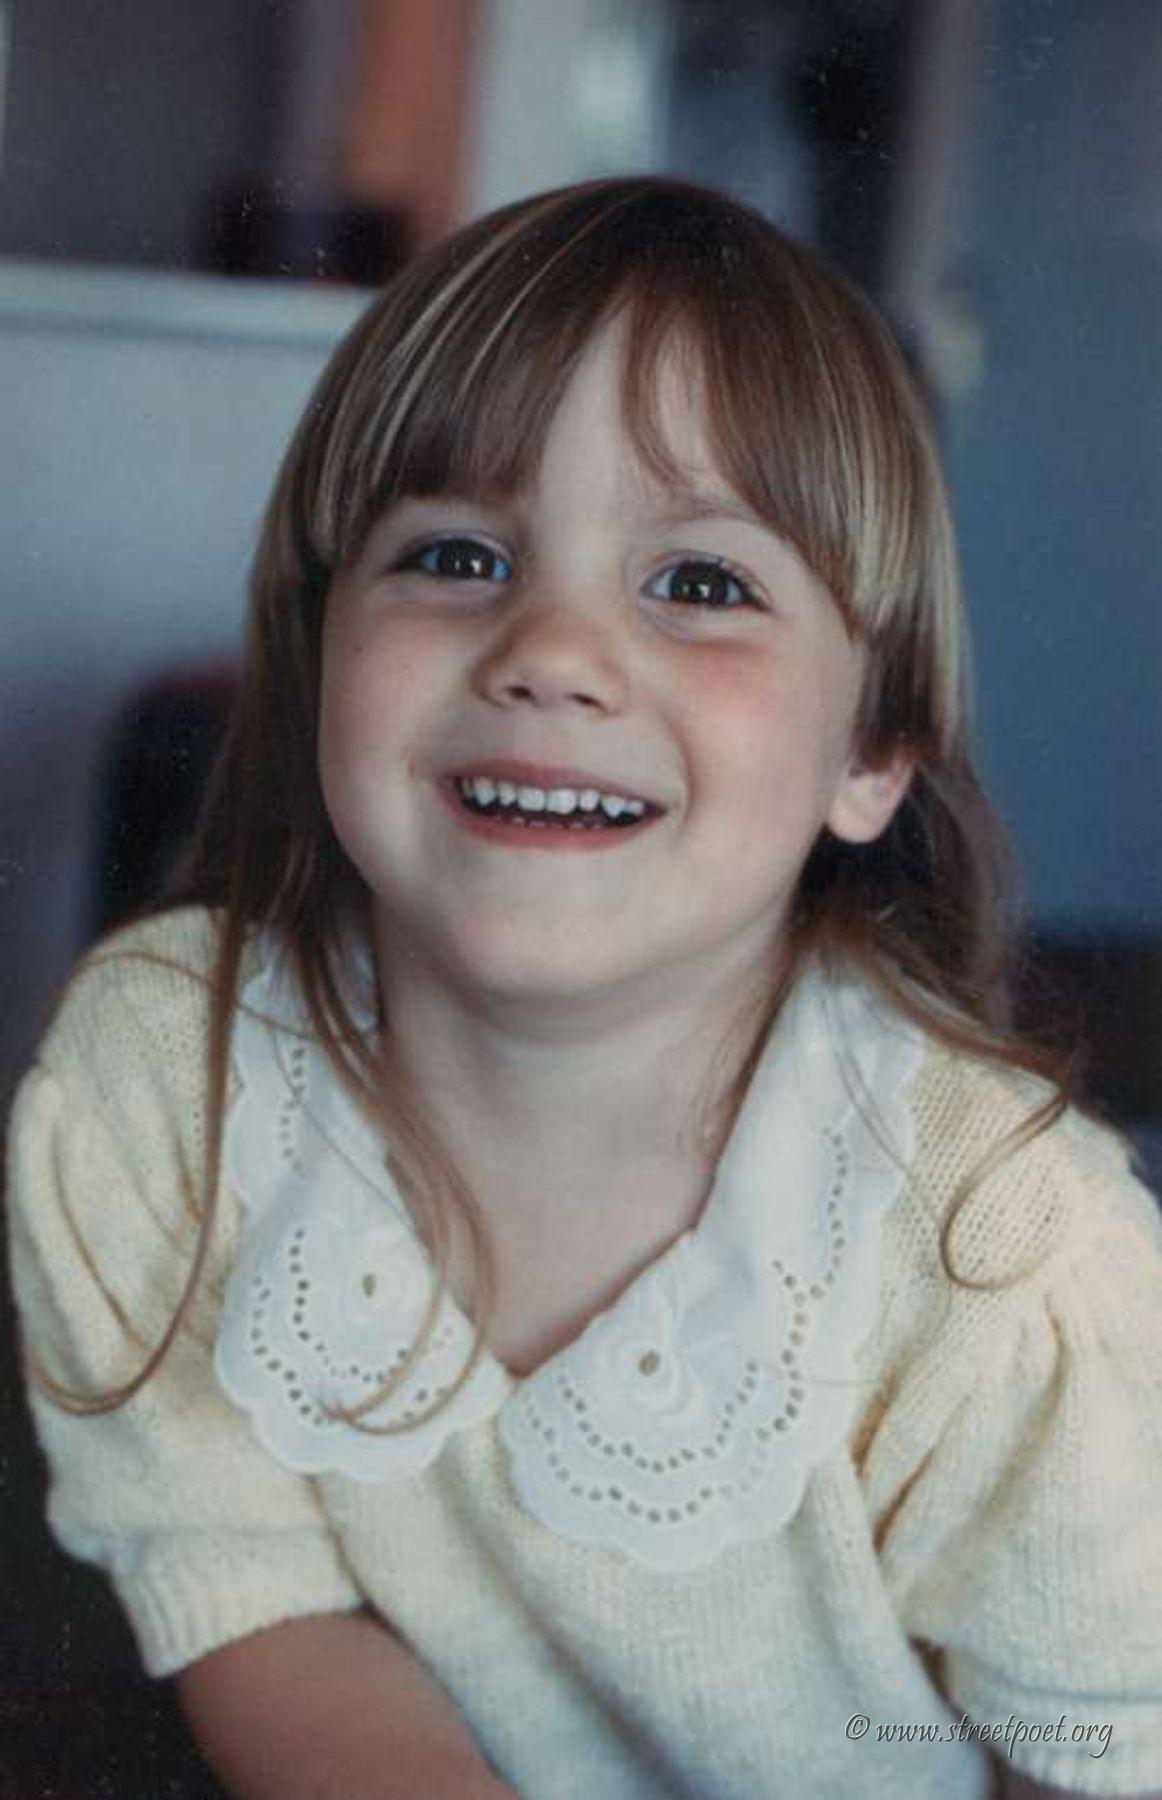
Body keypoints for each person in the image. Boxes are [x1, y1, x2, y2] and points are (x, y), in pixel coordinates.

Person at [7, 177, 1161, 1800]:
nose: (550, 650)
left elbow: (1094, 1750)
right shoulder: (156, 1077)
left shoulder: (1007, 1257)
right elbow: (245, 1585)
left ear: (871, 749)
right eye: (456, 554)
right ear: (319, 653)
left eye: (699, 584)